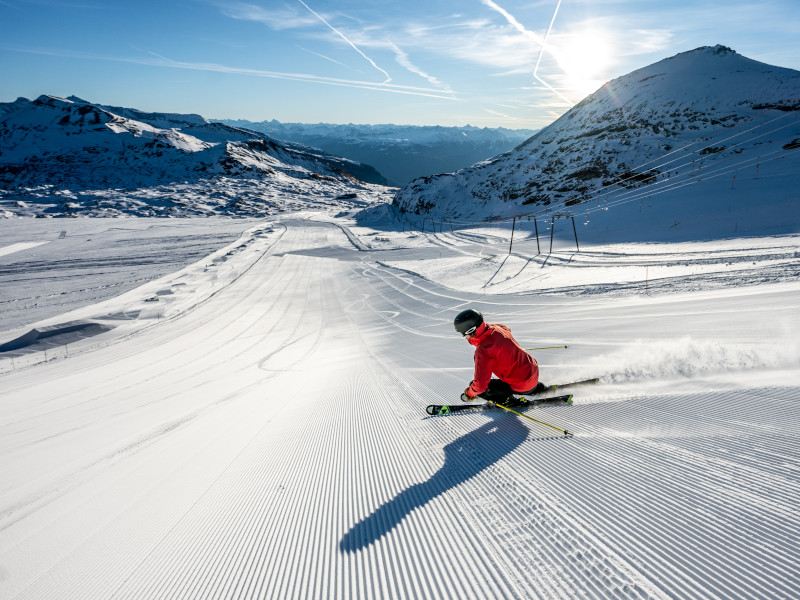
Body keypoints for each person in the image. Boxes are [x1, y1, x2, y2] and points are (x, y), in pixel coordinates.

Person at [454, 308, 545, 404]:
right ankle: (537, 388)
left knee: (477, 387)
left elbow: (480, 386)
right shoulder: (497, 328)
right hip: (533, 371)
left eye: (464, 334)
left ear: (471, 330)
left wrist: (469, 393)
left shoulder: (483, 350)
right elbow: (506, 329)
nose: (465, 337)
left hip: (522, 384)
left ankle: (508, 400)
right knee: (514, 376)